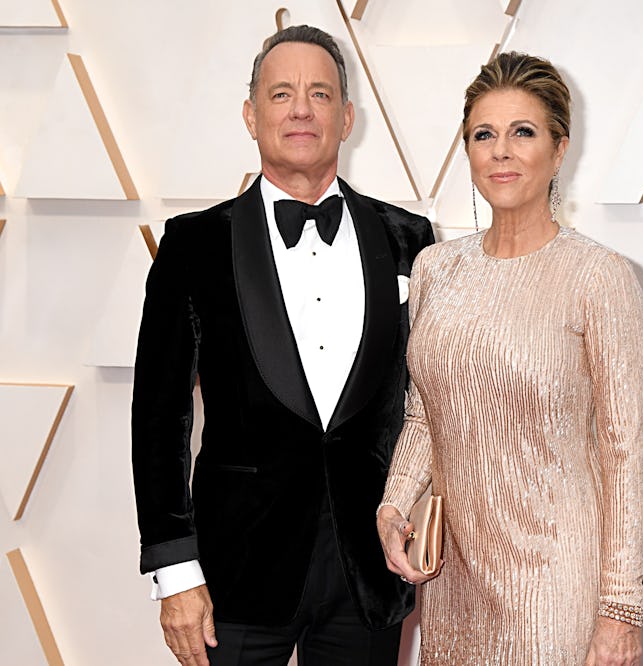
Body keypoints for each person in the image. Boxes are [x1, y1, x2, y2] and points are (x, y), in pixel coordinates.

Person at [132, 25, 434, 666]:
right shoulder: (193, 245)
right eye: (281, 94)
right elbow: (158, 419)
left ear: (347, 117)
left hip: (369, 569)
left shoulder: (409, 237)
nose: (301, 108)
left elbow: (428, 400)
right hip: (234, 576)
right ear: (251, 115)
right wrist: (175, 573)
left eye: (320, 94)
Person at [377, 52, 643, 665]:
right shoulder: (435, 270)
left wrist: (620, 610)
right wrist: (394, 504)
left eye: (522, 132)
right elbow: (425, 413)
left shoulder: (600, 279)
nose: (500, 151)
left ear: (559, 151)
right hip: (453, 580)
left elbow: (624, 453)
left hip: (553, 584)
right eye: (484, 135)